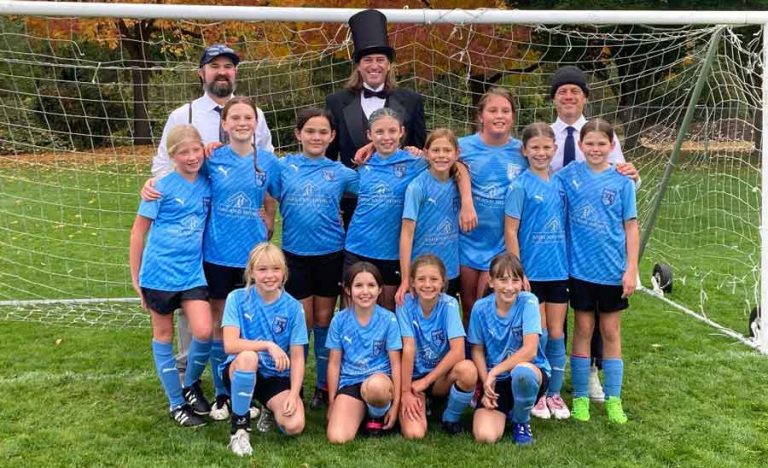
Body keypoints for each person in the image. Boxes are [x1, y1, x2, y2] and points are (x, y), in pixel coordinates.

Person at [140, 97, 280, 420]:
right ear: (225, 124)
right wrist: (150, 185)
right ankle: (220, 393)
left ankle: (254, 385)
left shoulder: (269, 161)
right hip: (216, 254)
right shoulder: (211, 158)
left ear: (256, 123)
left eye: (249, 117)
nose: (243, 122)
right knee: (216, 324)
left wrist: (269, 217)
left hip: (253, 257)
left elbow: (274, 192)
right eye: (236, 118)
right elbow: (178, 169)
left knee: (251, 318)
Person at [148, 43, 274, 382]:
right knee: (198, 305)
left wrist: (268, 212)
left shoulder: (253, 114)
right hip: (195, 225)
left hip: (238, 227)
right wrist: (158, 190)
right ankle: (191, 375)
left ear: (235, 73)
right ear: (201, 73)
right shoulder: (183, 115)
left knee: (236, 305)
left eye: (228, 66)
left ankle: (242, 370)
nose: (222, 72)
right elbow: (162, 164)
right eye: (214, 66)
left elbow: (265, 166)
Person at [549, 65, 639, 401]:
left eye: (575, 90)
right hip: (560, 242)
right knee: (562, 313)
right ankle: (552, 377)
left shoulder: (604, 137)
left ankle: (593, 375)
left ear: (585, 96)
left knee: (600, 321)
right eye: (562, 91)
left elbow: (624, 184)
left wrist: (634, 174)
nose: (569, 96)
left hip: (600, 248)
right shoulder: (546, 136)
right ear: (554, 99)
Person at [272, 107, 358, 411]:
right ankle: (289, 383)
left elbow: (374, 183)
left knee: (324, 320)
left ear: (332, 136)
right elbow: (255, 178)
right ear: (298, 134)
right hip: (294, 255)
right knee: (302, 323)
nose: (316, 137)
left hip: (331, 254)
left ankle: (323, 386)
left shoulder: (342, 173)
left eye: (323, 132)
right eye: (310, 131)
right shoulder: (282, 167)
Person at [128, 124, 212, 427]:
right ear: (172, 155)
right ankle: (176, 404)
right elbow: (138, 233)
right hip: (159, 274)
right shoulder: (159, 187)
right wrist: (135, 279)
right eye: (183, 152)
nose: (191, 157)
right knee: (163, 336)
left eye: (195, 149)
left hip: (192, 273)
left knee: (204, 331)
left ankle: (189, 384)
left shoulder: (207, 183)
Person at [325, 9, 426, 228]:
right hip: (352, 202)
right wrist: (332, 201)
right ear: (358, 65)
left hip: (398, 203)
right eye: (367, 59)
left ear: (389, 64)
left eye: (380, 59)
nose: (374, 65)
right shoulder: (336, 102)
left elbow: (419, 152)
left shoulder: (412, 101)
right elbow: (330, 159)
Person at [504, 122, 570, 420]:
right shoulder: (520, 185)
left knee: (557, 333)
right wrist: (519, 273)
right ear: (524, 150)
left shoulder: (560, 183)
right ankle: (540, 394)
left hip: (559, 271)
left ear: (554, 150)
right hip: (532, 273)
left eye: (546, 147)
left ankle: (555, 393)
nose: (541, 153)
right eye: (535, 148)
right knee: (539, 334)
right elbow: (511, 230)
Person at [220, 243, 307, 457]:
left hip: (275, 375)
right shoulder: (237, 298)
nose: (269, 275)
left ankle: (269, 408)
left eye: (276, 269)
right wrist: (268, 345)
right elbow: (230, 344)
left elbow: (297, 356)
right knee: (249, 357)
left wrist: (294, 394)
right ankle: (239, 430)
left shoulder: (294, 308)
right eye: (262, 269)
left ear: (284, 272)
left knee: (294, 426)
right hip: (241, 368)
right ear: (251, 272)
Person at [458, 88, 528, 327]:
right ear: (480, 116)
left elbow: (547, 166)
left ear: (513, 117)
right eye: (493, 110)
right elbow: (439, 159)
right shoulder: (462, 147)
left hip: (500, 242)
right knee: (468, 307)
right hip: (467, 240)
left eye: (505, 111)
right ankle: (467, 361)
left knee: (488, 305)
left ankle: (491, 359)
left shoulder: (522, 151)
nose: (499, 116)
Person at [468, 254, 550, 445]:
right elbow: (477, 350)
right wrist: (486, 382)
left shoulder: (529, 302)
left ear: (522, 283)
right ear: (491, 282)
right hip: (497, 382)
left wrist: (494, 371)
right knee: (485, 436)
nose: (509, 286)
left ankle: (522, 421)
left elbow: (530, 351)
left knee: (522, 373)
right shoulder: (480, 308)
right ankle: (511, 411)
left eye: (515, 280)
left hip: (530, 373)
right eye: (502, 279)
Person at [397, 255, 477, 438]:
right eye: (421, 279)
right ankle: (424, 402)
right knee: (414, 434)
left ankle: (450, 417)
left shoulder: (448, 305)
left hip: (439, 378)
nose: (427, 284)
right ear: (412, 283)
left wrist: (427, 381)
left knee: (468, 370)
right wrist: (406, 392)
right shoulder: (404, 304)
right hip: (413, 379)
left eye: (434, 279)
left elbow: (458, 352)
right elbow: (408, 348)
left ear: (443, 283)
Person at [325, 262, 402, 443]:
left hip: (379, 381)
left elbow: (396, 363)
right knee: (337, 438)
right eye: (358, 285)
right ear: (348, 290)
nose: (365, 291)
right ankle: (363, 412)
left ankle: (376, 415)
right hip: (351, 381)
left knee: (376, 388)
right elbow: (334, 363)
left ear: (380, 289)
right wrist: (332, 402)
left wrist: (396, 404)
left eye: (371, 285)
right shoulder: (339, 320)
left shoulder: (389, 319)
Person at [397, 129, 462, 305]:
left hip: (450, 269)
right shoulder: (416, 187)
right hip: (421, 273)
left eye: (447, 151)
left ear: (457, 153)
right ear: (426, 153)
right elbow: (407, 233)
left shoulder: (460, 182)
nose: (441, 156)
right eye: (436, 150)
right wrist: (405, 278)